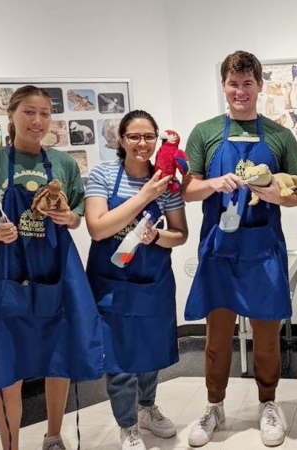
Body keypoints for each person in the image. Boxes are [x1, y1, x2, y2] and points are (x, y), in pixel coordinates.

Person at [181, 50, 297, 447]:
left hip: (263, 248)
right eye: (233, 83)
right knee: (216, 339)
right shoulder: (204, 133)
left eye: (247, 83)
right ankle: (214, 405)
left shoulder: (280, 135)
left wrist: (276, 194)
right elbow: (187, 189)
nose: (240, 91)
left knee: (266, 338)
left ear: (259, 86)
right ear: (223, 85)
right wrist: (214, 184)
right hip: (219, 248)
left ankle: (268, 402)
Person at [0, 85, 103, 450]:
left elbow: (77, 215)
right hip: (6, 278)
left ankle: (53, 436)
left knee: (57, 358)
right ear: (12, 115)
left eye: (45, 113)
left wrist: (67, 217)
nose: (37, 120)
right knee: (7, 370)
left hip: (53, 275)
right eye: (29, 112)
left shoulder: (63, 164)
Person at [84, 110, 188, 450]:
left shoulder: (168, 181)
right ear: (121, 140)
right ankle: (127, 425)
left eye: (149, 137)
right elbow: (98, 228)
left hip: (152, 281)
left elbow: (180, 234)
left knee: (150, 350)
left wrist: (157, 237)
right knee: (118, 360)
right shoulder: (102, 175)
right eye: (134, 136)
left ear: (157, 140)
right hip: (111, 282)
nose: (142, 143)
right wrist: (144, 196)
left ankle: (147, 408)